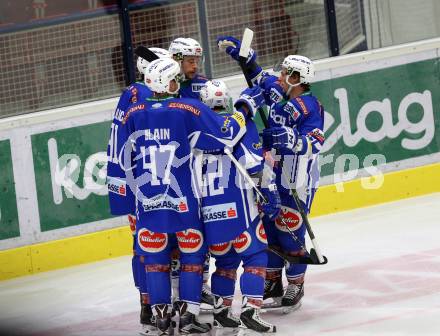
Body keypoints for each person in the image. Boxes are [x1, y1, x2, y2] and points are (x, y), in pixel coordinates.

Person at [118, 58, 264, 335]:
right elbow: (227, 135)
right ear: (168, 82)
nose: (178, 83)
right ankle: (187, 318)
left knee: (156, 261)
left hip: (147, 203)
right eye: (175, 79)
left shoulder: (132, 113)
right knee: (192, 258)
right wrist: (245, 108)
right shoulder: (187, 108)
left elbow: (123, 159)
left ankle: (160, 321)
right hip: (183, 201)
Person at [218, 36, 325, 312]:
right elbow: (259, 79)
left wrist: (292, 139)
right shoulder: (280, 91)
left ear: (297, 77)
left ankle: (296, 283)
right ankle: (272, 281)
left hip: (296, 176)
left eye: (285, 72)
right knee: (269, 231)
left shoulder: (312, 106)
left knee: (290, 232)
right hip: (271, 172)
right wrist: (247, 60)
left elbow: (315, 141)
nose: (280, 76)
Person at [199, 80, 280, 333]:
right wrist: (271, 193)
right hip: (240, 210)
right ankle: (250, 310)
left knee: (225, 263)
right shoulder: (240, 127)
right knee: (255, 256)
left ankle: (222, 311)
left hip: (209, 213)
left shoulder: (194, 130)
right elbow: (255, 166)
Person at [106, 47, 170, 334]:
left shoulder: (131, 91)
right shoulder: (145, 96)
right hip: (139, 183)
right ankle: (152, 304)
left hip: (125, 179)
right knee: (151, 243)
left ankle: (147, 303)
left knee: (143, 243)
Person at [168, 36, 214, 310]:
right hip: (172, 171)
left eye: (197, 59)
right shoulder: (163, 86)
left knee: (201, 231)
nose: (194, 65)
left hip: (200, 168)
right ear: (175, 59)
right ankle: (176, 292)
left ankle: (202, 286)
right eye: (189, 60)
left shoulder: (203, 86)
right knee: (175, 234)